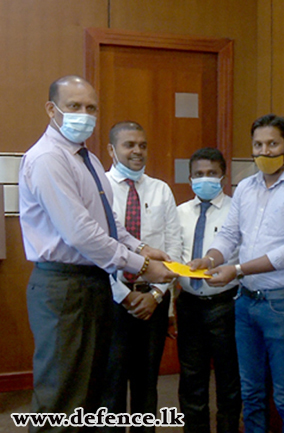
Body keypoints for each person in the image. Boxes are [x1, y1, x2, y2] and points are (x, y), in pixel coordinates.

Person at [18, 75, 177, 433]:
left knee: (91, 394)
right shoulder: (47, 159)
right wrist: (143, 266)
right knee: (60, 398)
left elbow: (107, 224)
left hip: (93, 283)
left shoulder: (85, 158)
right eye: (74, 106)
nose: (84, 115)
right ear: (51, 109)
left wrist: (139, 246)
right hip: (63, 287)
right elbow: (80, 232)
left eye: (91, 108)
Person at [189, 114, 284, 433]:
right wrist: (209, 259)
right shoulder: (246, 187)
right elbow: (229, 235)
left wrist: (235, 269)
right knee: (250, 393)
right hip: (246, 303)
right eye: (258, 145)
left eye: (272, 144)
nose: (265, 151)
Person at [98, 121, 182, 432]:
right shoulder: (100, 189)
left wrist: (157, 295)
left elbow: (173, 250)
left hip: (154, 301)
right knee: (112, 382)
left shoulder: (161, 190)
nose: (137, 151)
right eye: (129, 144)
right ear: (111, 149)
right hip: (113, 299)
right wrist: (125, 295)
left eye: (142, 145)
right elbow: (97, 250)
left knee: (148, 383)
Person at [176, 147, 242, 433]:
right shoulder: (178, 213)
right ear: (190, 178)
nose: (206, 179)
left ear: (223, 177)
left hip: (226, 304)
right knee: (191, 379)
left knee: (229, 379)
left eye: (212, 174)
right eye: (199, 174)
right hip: (188, 304)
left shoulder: (236, 211)